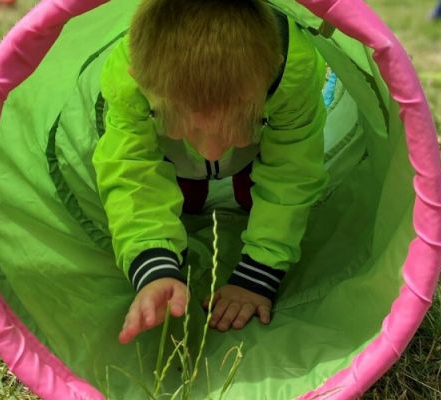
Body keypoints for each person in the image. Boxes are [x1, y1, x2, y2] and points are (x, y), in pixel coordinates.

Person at [92, 0, 328, 344]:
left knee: (254, 202)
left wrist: (257, 276)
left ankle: (234, 149)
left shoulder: (295, 72)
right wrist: (154, 268)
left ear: (271, 71)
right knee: (187, 203)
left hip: (257, 151)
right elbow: (131, 171)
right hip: (175, 158)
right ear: (140, 81)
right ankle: (198, 149)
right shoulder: (128, 80)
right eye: (190, 129)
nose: (211, 150)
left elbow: (293, 172)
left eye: (231, 130)